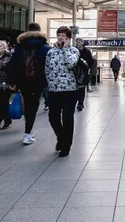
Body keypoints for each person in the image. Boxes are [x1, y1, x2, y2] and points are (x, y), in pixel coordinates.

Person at [8, 23, 51, 145]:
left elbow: (12, 65)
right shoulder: (45, 48)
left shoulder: (20, 47)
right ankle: (28, 132)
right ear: (40, 31)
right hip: (39, 81)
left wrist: (13, 82)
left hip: (23, 81)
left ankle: (28, 130)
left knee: (27, 105)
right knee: (34, 105)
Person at [46, 26, 80, 157]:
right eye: (59, 35)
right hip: (54, 90)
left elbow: (71, 64)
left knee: (67, 118)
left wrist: (65, 49)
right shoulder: (51, 52)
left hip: (70, 90)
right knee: (53, 117)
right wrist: (50, 84)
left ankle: (66, 146)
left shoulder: (74, 51)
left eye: (63, 35)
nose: (60, 37)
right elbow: (47, 69)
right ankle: (61, 137)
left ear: (69, 38)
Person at [74, 38, 93, 111]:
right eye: (77, 42)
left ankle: (80, 103)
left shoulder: (86, 51)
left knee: (81, 88)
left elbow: (90, 61)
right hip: (75, 71)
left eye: (79, 42)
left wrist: (87, 67)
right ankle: (76, 101)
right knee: (75, 88)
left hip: (83, 72)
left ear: (82, 43)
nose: (78, 43)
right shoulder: (74, 50)